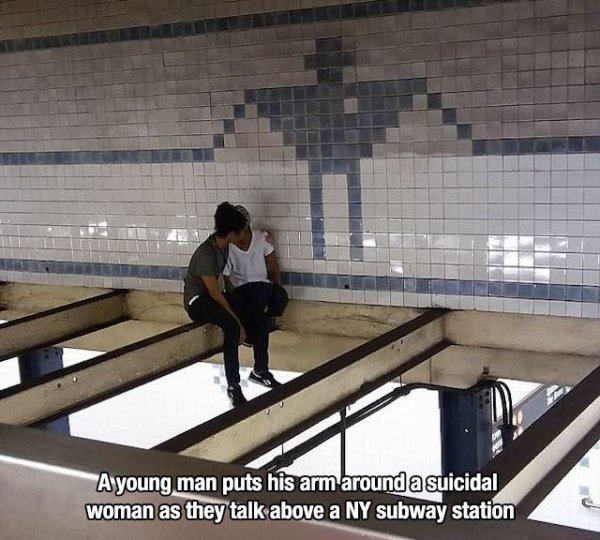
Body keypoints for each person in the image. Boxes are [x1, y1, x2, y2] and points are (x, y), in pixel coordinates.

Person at [183, 202, 281, 407]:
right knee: (232, 328)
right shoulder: (206, 254)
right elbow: (215, 294)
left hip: (215, 296)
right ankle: (233, 387)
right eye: (242, 232)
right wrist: (239, 324)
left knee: (261, 321)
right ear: (232, 233)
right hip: (198, 302)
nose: (244, 236)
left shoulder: (224, 246)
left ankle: (260, 370)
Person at [223, 205, 289, 327]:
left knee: (278, 295)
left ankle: (265, 322)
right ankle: (257, 325)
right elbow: (225, 278)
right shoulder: (228, 247)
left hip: (262, 288)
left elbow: (274, 268)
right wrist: (234, 299)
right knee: (257, 296)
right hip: (242, 290)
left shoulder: (262, 238)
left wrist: (278, 290)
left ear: (245, 228)